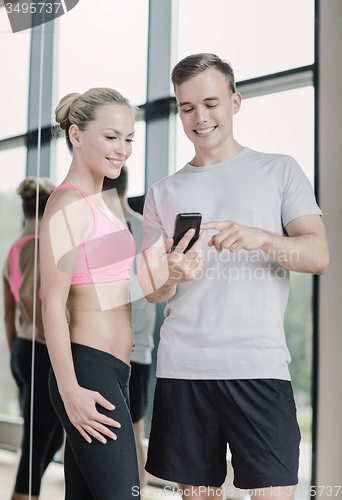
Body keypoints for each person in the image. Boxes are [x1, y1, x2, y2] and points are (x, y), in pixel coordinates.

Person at [139, 53, 329, 500]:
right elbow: (152, 291)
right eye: (187, 108)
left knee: (273, 495)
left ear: (235, 102)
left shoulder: (279, 170)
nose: (200, 118)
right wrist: (171, 273)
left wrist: (261, 238)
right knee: (198, 496)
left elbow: (318, 255)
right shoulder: (162, 193)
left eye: (211, 103)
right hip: (183, 368)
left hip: (258, 365)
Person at [39, 88, 140, 499]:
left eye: (129, 139)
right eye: (112, 137)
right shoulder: (68, 203)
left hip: (113, 372)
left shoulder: (101, 204)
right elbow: (52, 302)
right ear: (77, 135)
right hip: (87, 373)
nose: (123, 149)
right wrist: (70, 390)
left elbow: (105, 287)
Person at [2, 177, 64, 500]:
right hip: (41, 350)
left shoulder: (14, 249)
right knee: (34, 447)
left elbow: (8, 314)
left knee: (44, 441)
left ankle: (26, 491)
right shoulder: (45, 244)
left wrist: (17, 357)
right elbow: (35, 299)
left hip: (23, 350)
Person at [102, 166, 156, 488]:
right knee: (134, 432)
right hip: (141, 349)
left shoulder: (110, 231)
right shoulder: (145, 229)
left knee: (109, 433)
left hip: (114, 349)